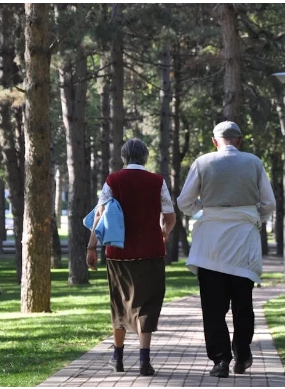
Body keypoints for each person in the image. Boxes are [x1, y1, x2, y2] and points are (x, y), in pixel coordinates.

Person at [176, 121, 276, 378]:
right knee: (244, 304)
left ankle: (221, 360)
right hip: (243, 243)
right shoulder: (254, 162)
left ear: (214, 141)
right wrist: (254, 219)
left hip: (211, 246)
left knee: (213, 307)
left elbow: (184, 202)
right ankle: (242, 354)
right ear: (240, 141)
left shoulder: (203, 162)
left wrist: (204, 211)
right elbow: (269, 203)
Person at [86, 138, 176, 376]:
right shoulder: (157, 181)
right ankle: (144, 361)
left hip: (119, 254)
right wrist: (164, 233)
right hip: (151, 252)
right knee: (148, 303)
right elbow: (169, 214)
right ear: (145, 156)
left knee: (119, 303)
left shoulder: (113, 180)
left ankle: (117, 358)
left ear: (124, 157)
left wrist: (91, 247)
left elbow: (100, 214)